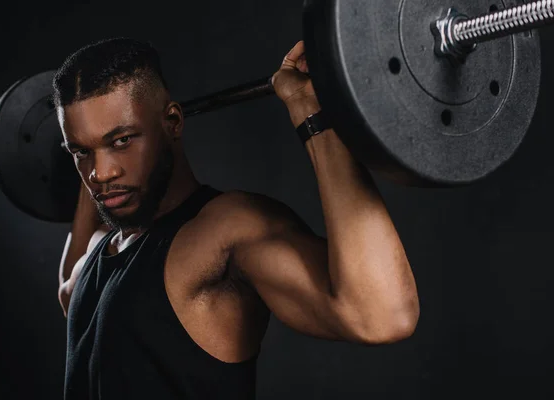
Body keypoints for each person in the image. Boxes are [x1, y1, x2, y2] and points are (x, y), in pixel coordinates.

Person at [55, 37, 419, 400]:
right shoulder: (100, 249)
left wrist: (309, 110)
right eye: (81, 152)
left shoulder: (224, 230)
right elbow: (68, 293)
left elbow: (383, 315)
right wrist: (100, 166)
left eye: (121, 141)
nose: (99, 173)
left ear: (172, 122)